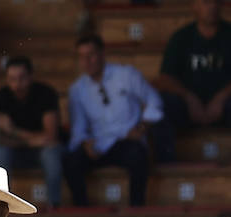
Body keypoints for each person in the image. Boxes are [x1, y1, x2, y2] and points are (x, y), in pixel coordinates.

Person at [63, 34, 167, 207]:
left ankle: (136, 210)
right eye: (82, 57)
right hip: (99, 144)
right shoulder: (77, 89)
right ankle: (82, 212)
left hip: (126, 140)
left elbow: (154, 100)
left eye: (91, 55)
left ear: (102, 54)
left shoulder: (126, 74)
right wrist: (85, 143)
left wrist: (142, 127)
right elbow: (79, 128)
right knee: (71, 162)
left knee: (138, 156)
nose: (87, 61)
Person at [0, 57, 65, 208]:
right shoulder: (2, 95)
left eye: (21, 78)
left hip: (43, 151)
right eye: (12, 79)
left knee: (51, 155)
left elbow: (51, 137)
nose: (17, 84)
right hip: (17, 151)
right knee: (1, 153)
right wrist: (32, 140)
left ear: (31, 77)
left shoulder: (46, 93)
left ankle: (54, 206)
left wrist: (14, 131)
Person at [155, 0, 231, 133]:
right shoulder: (180, 37)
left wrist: (221, 98)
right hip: (188, 106)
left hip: (225, 104)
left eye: (216, 1)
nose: (212, 6)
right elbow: (165, 78)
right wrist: (189, 98)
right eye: (206, 2)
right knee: (164, 103)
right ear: (194, 5)